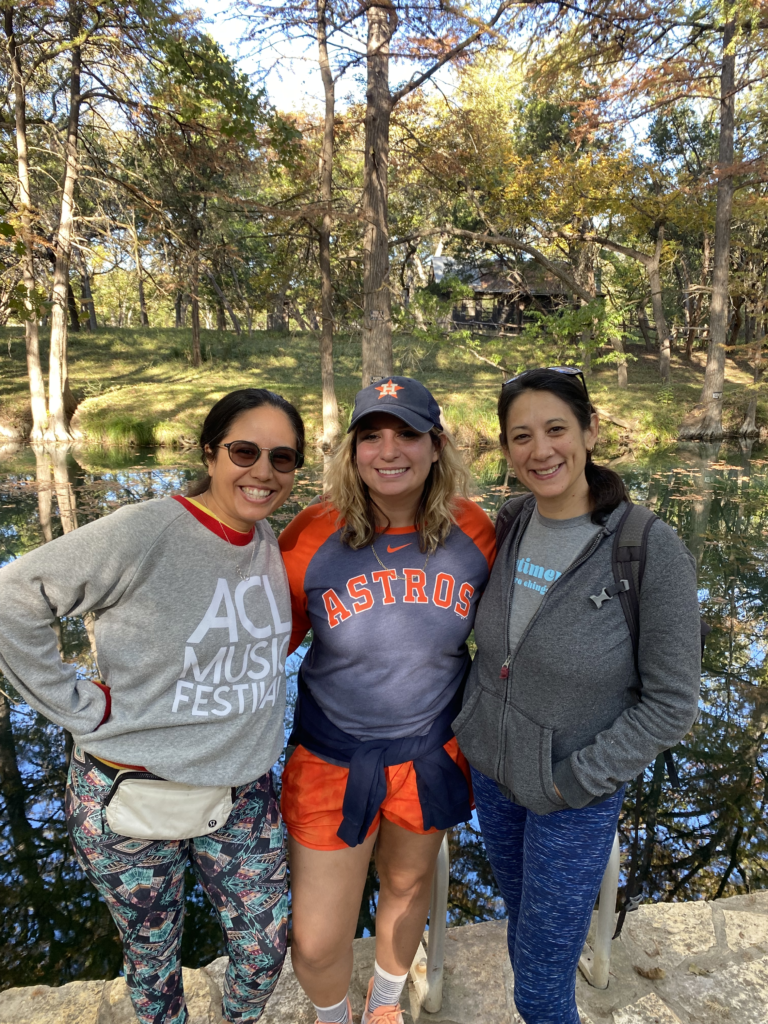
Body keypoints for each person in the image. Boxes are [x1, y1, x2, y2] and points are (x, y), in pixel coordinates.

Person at [0, 388, 306, 1024]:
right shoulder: (148, 529)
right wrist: (75, 704)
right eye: (244, 451)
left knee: (264, 946)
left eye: (283, 458)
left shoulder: (265, 539)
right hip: (128, 793)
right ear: (210, 453)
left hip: (241, 796)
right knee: (153, 959)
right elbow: (14, 595)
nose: (263, 471)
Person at [452, 367, 702, 1024]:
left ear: (589, 431)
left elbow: (672, 704)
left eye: (556, 429)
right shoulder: (510, 522)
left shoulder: (646, 547)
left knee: (539, 988)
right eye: (521, 437)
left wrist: (573, 782)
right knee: (522, 935)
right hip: (495, 781)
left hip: (572, 796)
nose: (541, 451)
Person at [278, 376, 495, 1024]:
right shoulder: (314, 534)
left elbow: (526, 631)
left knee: (406, 886)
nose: (388, 449)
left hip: (429, 749)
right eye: (370, 435)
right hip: (331, 753)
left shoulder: (476, 532)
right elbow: (256, 644)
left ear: (437, 445)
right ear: (351, 450)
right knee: (316, 942)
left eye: (406, 432)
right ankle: (333, 1015)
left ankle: (385, 1005)